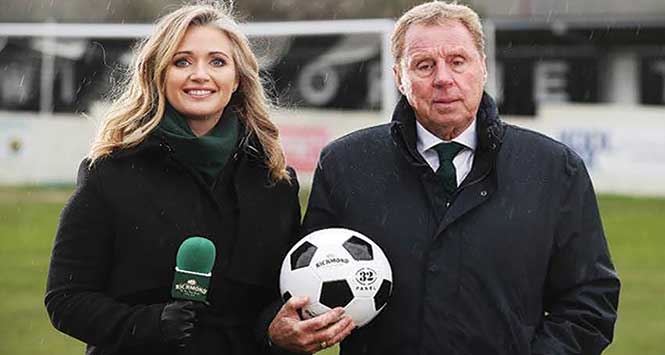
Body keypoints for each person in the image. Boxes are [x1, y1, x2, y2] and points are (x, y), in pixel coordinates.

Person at [271, 2, 621, 355]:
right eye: (424, 65)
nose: (442, 78)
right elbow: (301, 285)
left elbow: (589, 299)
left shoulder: (554, 169)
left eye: (457, 61)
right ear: (399, 77)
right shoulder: (345, 165)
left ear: (482, 68)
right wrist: (284, 330)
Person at [45, 3, 302, 355]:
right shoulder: (110, 174)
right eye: (182, 61)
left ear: (238, 78)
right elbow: (66, 299)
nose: (200, 74)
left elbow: (278, 298)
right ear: (158, 74)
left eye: (217, 61)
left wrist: (277, 330)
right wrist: (146, 325)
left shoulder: (275, 181)